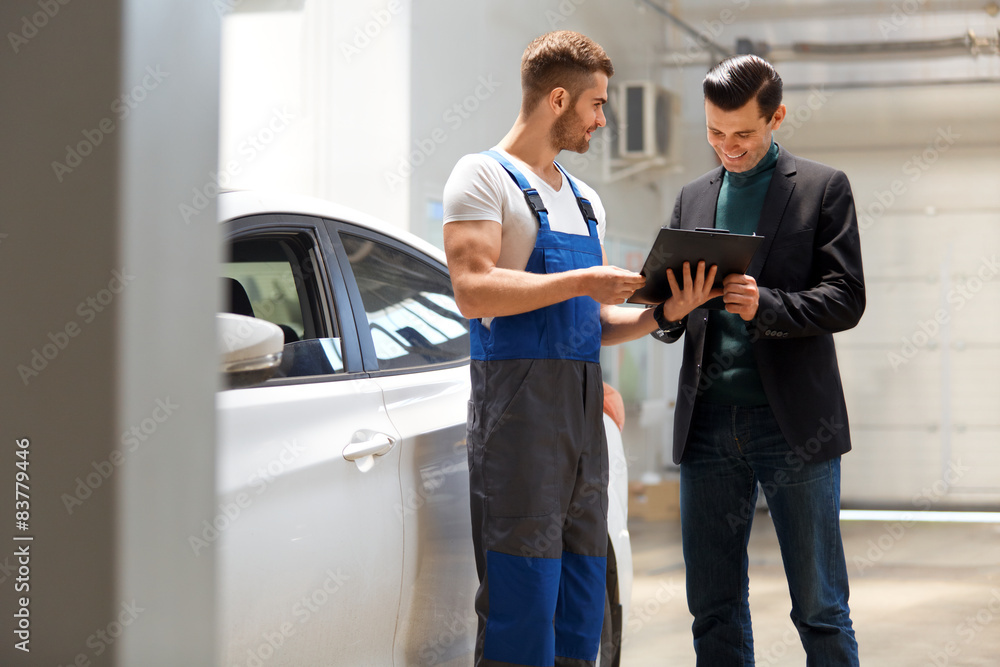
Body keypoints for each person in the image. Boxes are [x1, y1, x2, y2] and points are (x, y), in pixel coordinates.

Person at [442, 30, 718, 667]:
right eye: (596, 104)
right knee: (523, 602)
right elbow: (473, 288)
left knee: (583, 599)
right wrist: (582, 281)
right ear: (558, 99)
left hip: (582, 427)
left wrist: (662, 313)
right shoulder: (483, 177)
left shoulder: (586, 201)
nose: (602, 119)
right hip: (519, 426)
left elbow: (589, 322)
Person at [651, 54, 865, 666]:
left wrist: (765, 304)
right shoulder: (692, 199)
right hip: (707, 426)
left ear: (777, 117)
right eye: (715, 133)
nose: (729, 147)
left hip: (794, 425)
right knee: (713, 607)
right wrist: (671, 310)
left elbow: (846, 296)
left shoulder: (823, 188)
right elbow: (663, 314)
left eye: (743, 133)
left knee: (820, 607)